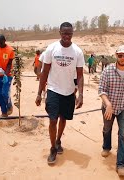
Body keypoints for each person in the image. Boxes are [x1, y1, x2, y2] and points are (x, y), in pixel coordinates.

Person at [35, 22, 84, 165]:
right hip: (53, 90)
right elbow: (44, 73)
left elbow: (80, 75)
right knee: (52, 120)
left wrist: (81, 94)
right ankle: (52, 148)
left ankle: (58, 140)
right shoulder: (52, 49)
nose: (67, 36)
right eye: (64, 33)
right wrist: (39, 93)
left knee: (63, 119)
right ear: (60, 33)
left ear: (72, 34)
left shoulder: (77, 52)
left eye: (70, 34)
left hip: (69, 92)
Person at [98, 45, 124, 177]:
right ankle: (106, 147)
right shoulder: (108, 70)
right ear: (116, 55)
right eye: (120, 55)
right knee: (107, 129)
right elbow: (101, 90)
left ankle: (121, 164)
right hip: (109, 107)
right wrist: (108, 104)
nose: (122, 58)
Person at [0, 34, 15, 117]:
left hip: (8, 74)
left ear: (5, 40)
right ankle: (4, 112)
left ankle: (9, 106)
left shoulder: (10, 50)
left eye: (1, 43)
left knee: (5, 93)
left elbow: (9, 64)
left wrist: (5, 74)